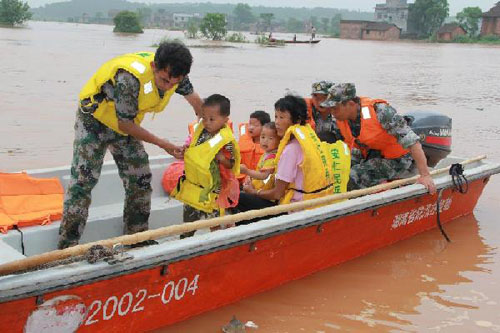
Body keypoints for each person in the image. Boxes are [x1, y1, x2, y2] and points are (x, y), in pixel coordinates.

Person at [57, 42, 203, 249]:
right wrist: (165, 145)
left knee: (140, 178)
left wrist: (209, 130)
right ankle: (66, 247)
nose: (168, 86)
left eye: (174, 82)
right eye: (164, 80)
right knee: (83, 182)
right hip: (94, 121)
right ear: (154, 67)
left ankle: (136, 236)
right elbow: (124, 124)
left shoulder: (177, 75)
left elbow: (198, 104)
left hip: (125, 125)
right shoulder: (129, 78)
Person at [235, 95, 350, 222]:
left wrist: (253, 192)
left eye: (282, 117)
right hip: (312, 203)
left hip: (293, 211)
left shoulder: (290, 150)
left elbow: (276, 194)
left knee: (238, 198)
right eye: (276, 117)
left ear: (297, 119)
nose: (277, 122)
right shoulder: (309, 140)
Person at [320, 83, 437, 194]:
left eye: (335, 108)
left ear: (350, 104)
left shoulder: (380, 111)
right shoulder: (342, 118)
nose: (332, 112)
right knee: (334, 173)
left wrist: (425, 175)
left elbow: (413, 142)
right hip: (371, 154)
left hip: (398, 159)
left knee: (350, 178)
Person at [169, 94, 240, 238]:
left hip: (215, 190)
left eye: (212, 119)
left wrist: (221, 159)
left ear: (225, 120)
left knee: (214, 223)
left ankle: (217, 241)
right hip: (194, 186)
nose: (207, 123)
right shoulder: (200, 132)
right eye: (205, 118)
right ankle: (185, 241)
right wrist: (185, 149)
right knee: (189, 223)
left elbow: (232, 163)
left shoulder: (226, 141)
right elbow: (192, 148)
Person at [240, 122, 280, 192]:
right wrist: (250, 178)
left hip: (264, 195)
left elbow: (264, 175)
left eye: (270, 138)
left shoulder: (273, 158)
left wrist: (246, 171)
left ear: (279, 141)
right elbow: (258, 172)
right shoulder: (265, 154)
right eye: (263, 137)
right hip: (256, 189)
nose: (265, 141)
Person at [238, 110, 271, 174]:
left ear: (265, 127)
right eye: (250, 124)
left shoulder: (271, 146)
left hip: (260, 179)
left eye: (255, 125)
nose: (251, 128)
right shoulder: (243, 141)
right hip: (243, 178)